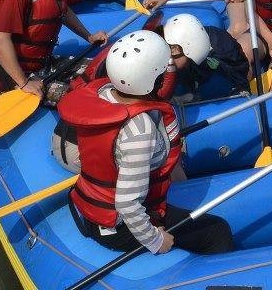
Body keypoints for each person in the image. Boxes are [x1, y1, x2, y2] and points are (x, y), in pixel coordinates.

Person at [60, 31, 234, 255]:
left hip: (93, 207)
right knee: (217, 231)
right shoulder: (139, 129)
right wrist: (155, 240)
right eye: (164, 71)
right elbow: (127, 204)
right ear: (154, 78)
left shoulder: (103, 94)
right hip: (117, 226)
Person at [51, 14, 249, 173]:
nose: (186, 67)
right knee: (168, 157)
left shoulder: (133, 46)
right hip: (80, 153)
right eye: (187, 60)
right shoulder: (154, 73)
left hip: (65, 134)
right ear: (175, 49)